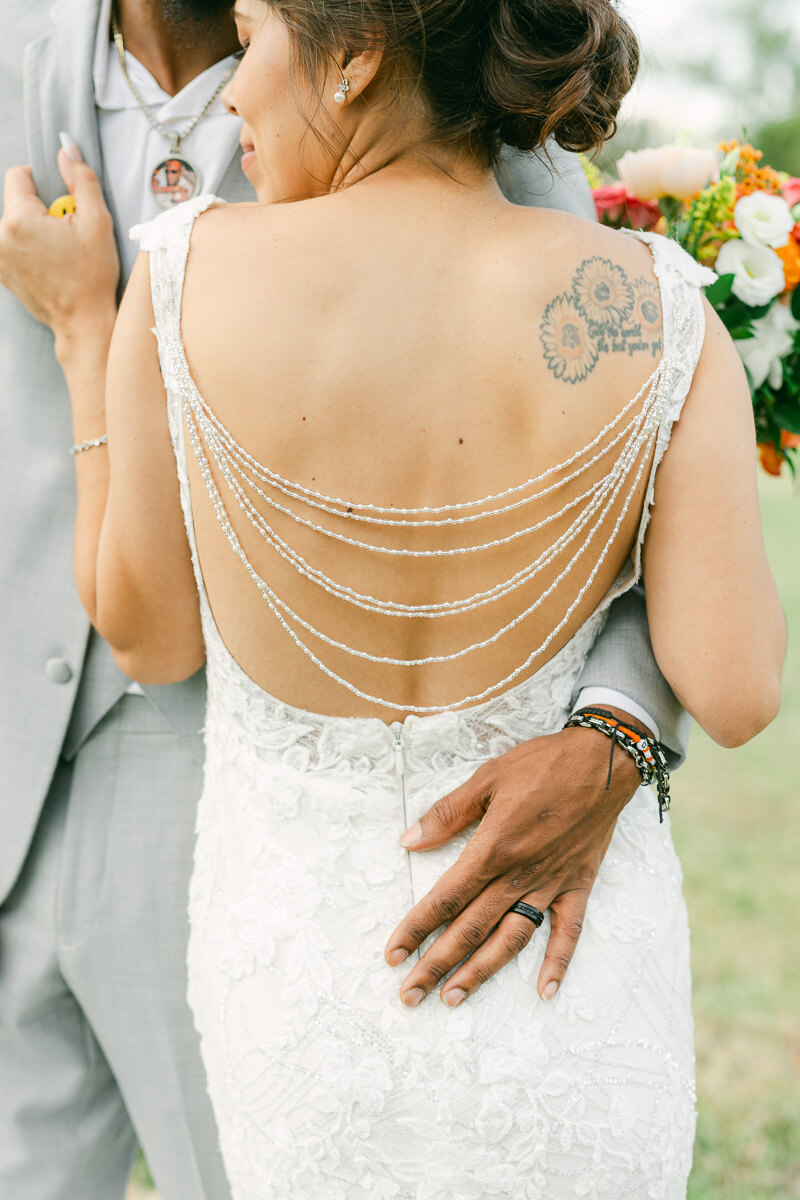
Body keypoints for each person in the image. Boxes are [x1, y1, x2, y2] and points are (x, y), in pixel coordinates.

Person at [2, 2, 777, 1199]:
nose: (236, 92)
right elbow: (730, 688)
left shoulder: (183, 274)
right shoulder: (655, 306)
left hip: (305, 995)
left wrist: (82, 341)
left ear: (356, 58)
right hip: (561, 978)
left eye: (253, 39)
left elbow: (149, 639)